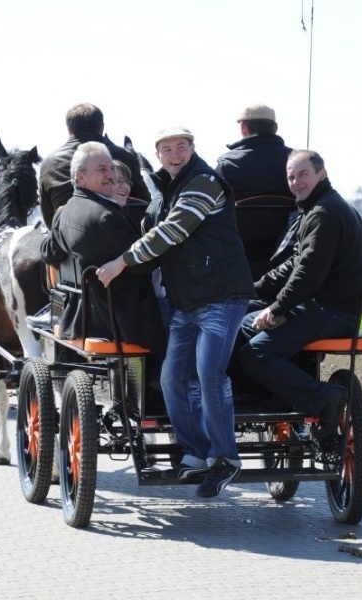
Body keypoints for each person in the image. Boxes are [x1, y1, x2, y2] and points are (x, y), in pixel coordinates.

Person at [96, 127, 255, 499]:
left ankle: (225, 458)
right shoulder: (166, 188)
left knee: (208, 374)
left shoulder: (204, 182)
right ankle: (195, 452)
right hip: (186, 301)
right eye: (166, 149)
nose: (174, 154)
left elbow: (173, 231)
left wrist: (122, 261)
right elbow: (149, 226)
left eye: (181, 147)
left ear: (192, 149)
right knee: (171, 378)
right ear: (159, 154)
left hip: (221, 296)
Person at [236, 150, 362, 441]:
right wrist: (255, 290)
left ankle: (326, 399)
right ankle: (272, 397)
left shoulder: (324, 213)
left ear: (321, 174)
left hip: (331, 312)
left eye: (303, 174)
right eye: (291, 176)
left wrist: (276, 309)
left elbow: (307, 275)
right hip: (327, 307)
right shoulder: (321, 208)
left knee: (256, 353)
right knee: (241, 322)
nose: (296, 182)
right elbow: (295, 263)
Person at [40, 142, 164, 352]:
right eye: (101, 170)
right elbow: (147, 262)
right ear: (80, 177)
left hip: (84, 313)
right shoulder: (105, 216)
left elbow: (48, 252)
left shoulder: (66, 210)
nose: (111, 175)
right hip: (125, 319)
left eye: (112, 168)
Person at [38, 103, 151, 228]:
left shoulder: (48, 163)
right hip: (119, 235)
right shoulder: (124, 156)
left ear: (69, 130)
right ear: (102, 128)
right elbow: (145, 204)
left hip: (66, 237)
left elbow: (48, 218)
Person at [215, 104, 293, 200]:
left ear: (243, 128)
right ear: (275, 128)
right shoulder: (296, 161)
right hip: (289, 215)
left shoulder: (226, 163)